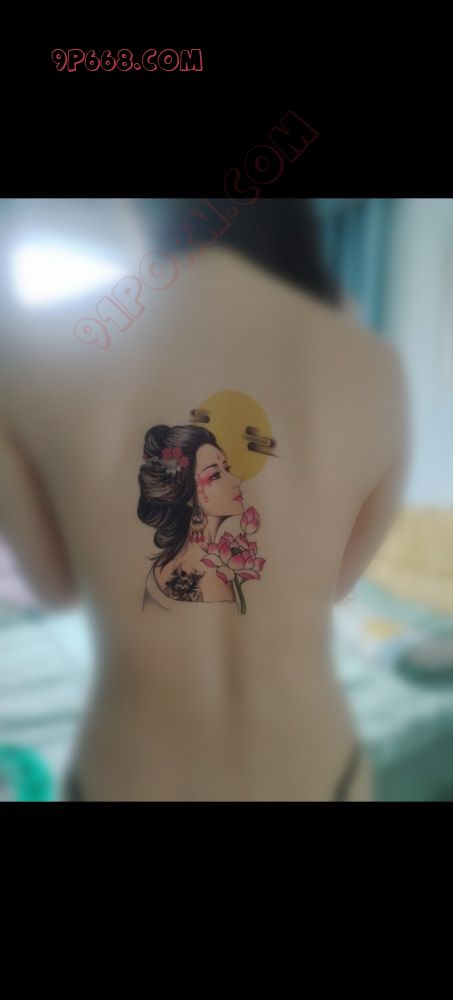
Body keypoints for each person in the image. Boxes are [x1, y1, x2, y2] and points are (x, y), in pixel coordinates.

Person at [0, 197, 410, 801]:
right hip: (321, 778)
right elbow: (332, 585)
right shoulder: (372, 364)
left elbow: (58, 588)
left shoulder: (29, 353)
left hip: (130, 779)